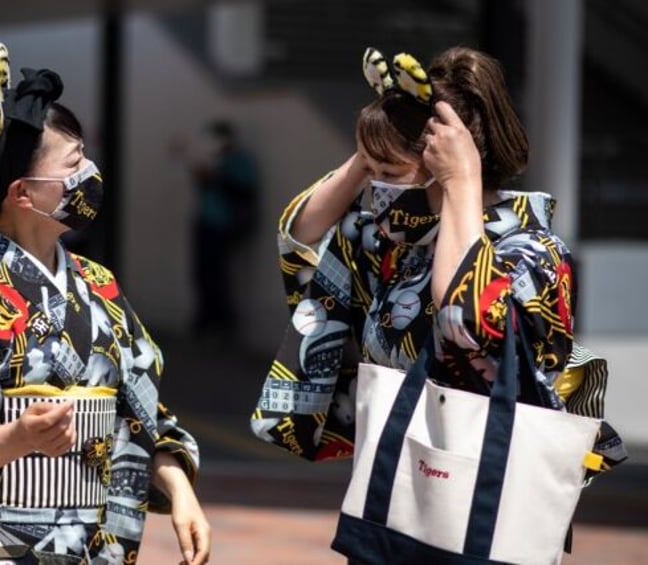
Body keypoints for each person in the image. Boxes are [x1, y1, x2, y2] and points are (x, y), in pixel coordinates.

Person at [251, 46, 624, 561]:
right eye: (370, 171)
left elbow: (464, 317)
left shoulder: (530, 250)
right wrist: (369, 151)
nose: (375, 187)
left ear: (445, 165)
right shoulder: (398, 244)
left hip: (491, 512)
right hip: (402, 501)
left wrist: (461, 181)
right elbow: (303, 237)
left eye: (389, 171)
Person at [0, 44, 210, 565]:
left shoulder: (98, 284)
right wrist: (16, 437)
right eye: (74, 164)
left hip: (92, 548)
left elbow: (140, 414)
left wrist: (180, 489)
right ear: (22, 193)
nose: (88, 174)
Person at [178, 119, 259, 336]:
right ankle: (205, 320)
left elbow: (243, 191)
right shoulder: (217, 160)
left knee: (217, 275)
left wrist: (216, 178)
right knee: (202, 273)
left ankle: (222, 324)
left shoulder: (239, 161)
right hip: (206, 221)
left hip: (223, 224)